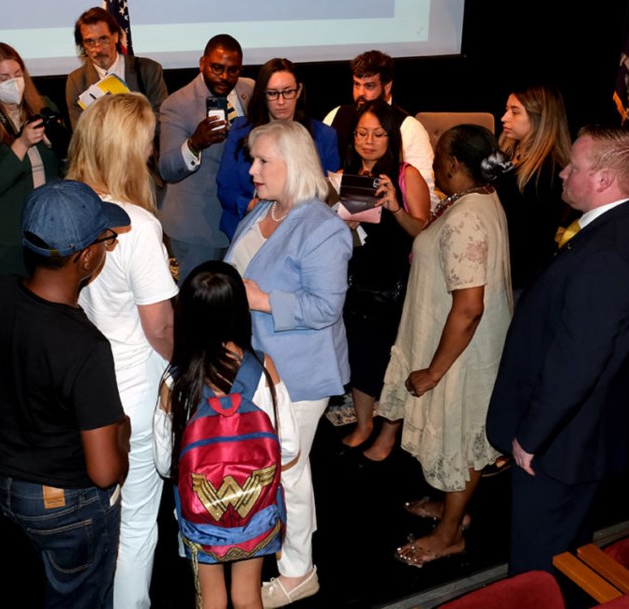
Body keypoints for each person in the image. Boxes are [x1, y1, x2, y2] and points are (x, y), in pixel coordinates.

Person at [486, 125, 629, 575]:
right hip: (575, 438)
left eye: (573, 167)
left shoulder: (608, 254)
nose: (562, 173)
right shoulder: (622, 226)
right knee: (568, 559)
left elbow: (577, 362)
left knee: (537, 566)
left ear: (603, 180)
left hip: (559, 446)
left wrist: (531, 437)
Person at [0, 180, 132, 607]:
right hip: (66, 504)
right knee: (80, 596)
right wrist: (123, 434)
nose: (106, 247)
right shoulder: (87, 347)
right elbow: (103, 472)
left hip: (7, 484)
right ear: (85, 258)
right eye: (105, 240)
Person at [224, 120, 352, 607]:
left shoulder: (322, 228)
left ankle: (300, 571)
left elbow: (325, 308)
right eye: (253, 160)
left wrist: (261, 299)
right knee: (276, 467)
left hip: (298, 372)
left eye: (262, 162)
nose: (252, 170)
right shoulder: (264, 212)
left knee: (288, 470)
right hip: (257, 365)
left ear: (293, 164)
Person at [373, 125, 512, 567]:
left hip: (460, 355)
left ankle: (451, 533)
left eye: (437, 158)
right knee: (455, 437)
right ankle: (451, 506)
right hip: (456, 347)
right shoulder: (477, 197)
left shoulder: (468, 217)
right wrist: (396, 210)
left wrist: (433, 371)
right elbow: (432, 240)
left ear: (454, 164)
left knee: (460, 440)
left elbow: (469, 307)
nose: (431, 165)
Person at [70, 93, 177, 609]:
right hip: (133, 392)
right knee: (136, 525)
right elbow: (159, 325)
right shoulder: (137, 225)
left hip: (80, 388)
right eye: (150, 138)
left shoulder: (64, 207)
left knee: (95, 520)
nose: (156, 147)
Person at [152, 261, 299, 609]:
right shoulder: (262, 368)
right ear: (239, 311)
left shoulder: (176, 381)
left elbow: (165, 464)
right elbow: (289, 446)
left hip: (200, 513)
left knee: (211, 598)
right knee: (248, 596)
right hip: (256, 509)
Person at [338, 99, 431, 454]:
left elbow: (424, 234)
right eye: (362, 133)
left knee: (394, 361)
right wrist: (342, 225)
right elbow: (351, 239)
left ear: (391, 137)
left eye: (378, 133)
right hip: (357, 280)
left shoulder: (407, 176)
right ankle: (364, 424)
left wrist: (396, 207)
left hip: (396, 285)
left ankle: (390, 433)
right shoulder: (350, 172)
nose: (369, 140)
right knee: (360, 356)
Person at [0, 42, 66, 281]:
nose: (13, 82)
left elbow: (69, 165)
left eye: (17, 75)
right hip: (8, 235)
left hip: (50, 227)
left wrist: (59, 146)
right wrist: (21, 143)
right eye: (3, 77)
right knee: (12, 308)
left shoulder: (43, 105)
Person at [159, 34, 255, 282]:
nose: (225, 77)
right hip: (196, 227)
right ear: (202, 63)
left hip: (245, 219)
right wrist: (194, 144)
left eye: (233, 70)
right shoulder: (176, 104)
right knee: (198, 305)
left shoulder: (250, 90)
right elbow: (167, 169)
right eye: (217, 68)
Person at [216, 58, 339, 239]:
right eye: (273, 93)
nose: (281, 101)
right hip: (249, 230)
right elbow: (226, 190)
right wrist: (254, 206)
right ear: (263, 95)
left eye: (287, 92)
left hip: (303, 232)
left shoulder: (324, 135)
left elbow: (330, 192)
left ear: (299, 91)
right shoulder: (241, 131)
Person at [322, 50, 435, 201]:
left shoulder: (409, 128)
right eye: (356, 85)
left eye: (369, 86)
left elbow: (427, 197)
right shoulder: (336, 115)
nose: (360, 93)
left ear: (387, 87)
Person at [494, 84, 573, 293]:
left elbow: (526, 238)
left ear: (540, 118)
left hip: (519, 278)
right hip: (496, 266)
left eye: (515, 111)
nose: (504, 117)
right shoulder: (507, 150)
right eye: (507, 109)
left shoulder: (548, 172)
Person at [65, 6, 168, 130]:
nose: (97, 49)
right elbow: (80, 133)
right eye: (90, 42)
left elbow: (162, 121)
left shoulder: (148, 70)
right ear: (82, 45)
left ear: (116, 37)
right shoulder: (76, 81)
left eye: (103, 39)